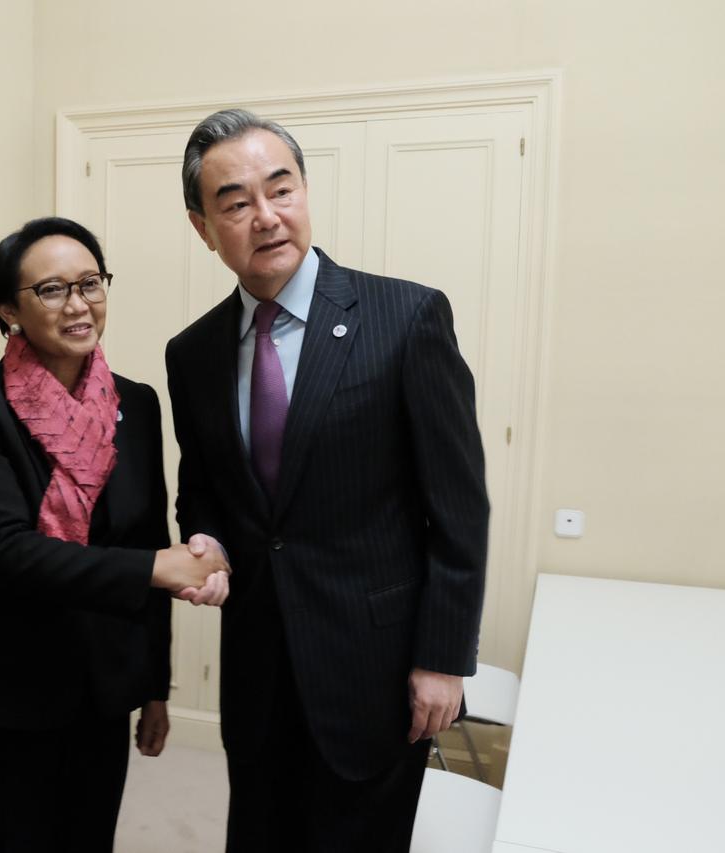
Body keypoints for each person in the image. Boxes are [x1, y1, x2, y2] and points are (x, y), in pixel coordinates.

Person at [164, 109, 489, 852]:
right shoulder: (194, 352)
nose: (266, 216)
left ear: (305, 191)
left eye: (281, 189)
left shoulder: (405, 317)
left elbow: (459, 509)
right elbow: (203, 490)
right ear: (202, 226)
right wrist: (204, 539)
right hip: (258, 673)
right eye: (236, 202)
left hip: (374, 671)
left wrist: (442, 658)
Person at [0, 216, 230, 852]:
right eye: (52, 290)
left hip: (100, 689)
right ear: (8, 308)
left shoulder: (138, 404)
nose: (78, 305)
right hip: (0, 692)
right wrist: (153, 568)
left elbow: (147, 531)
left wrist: (152, 689)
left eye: (90, 283)